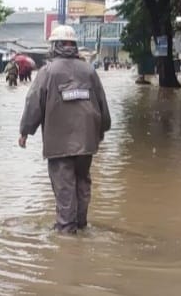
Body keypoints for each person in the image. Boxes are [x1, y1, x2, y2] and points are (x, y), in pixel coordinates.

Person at [18, 25, 111, 235]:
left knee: (64, 186)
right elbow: (102, 103)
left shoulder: (47, 72)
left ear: (55, 46)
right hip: (87, 141)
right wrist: (102, 130)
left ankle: (66, 232)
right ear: (73, 45)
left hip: (59, 143)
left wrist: (25, 131)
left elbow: (34, 103)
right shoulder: (89, 70)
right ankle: (80, 224)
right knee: (82, 183)